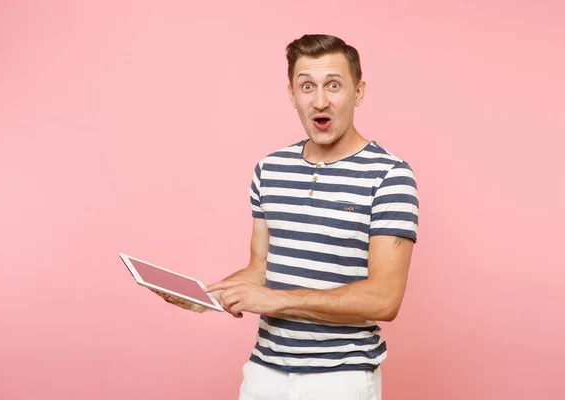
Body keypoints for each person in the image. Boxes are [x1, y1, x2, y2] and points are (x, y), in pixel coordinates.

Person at [154, 33, 419, 400]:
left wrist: (275, 301)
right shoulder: (269, 169)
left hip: (341, 380)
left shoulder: (390, 176)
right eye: (306, 86)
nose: (320, 100)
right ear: (292, 94)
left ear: (358, 92)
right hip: (264, 374)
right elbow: (262, 267)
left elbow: (384, 299)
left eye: (334, 85)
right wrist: (210, 295)